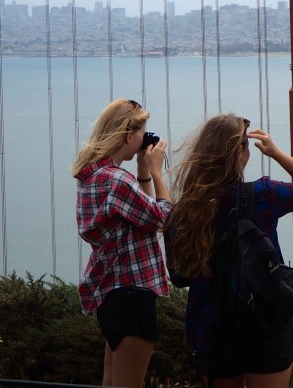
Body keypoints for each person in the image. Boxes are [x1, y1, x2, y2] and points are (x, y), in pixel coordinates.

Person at [166, 114, 293, 388]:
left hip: (212, 332)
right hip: (264, 326)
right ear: (242, 150)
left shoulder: (184, 211)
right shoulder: (263, 195)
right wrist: (275, 152)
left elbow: (180, 278)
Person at [72, 98, 172, 388]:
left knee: (112, 383)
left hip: (111, 295)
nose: (145, 139)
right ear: (129, 136)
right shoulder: (117, 181)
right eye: (143, 133)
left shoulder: (92, 177)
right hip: (134, 294)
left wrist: (142, 172)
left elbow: (139, 213)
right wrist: (157, 172)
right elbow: (162, 217)